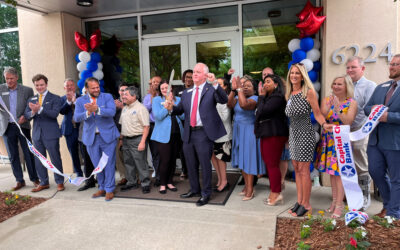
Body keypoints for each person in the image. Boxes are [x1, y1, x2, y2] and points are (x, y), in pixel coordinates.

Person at [165, 63, 228, 206]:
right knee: (190, 164)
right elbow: (179, 110)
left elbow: (224, 100)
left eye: (198, 72)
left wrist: (215, 84)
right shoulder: (187, 93)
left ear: (205, 75)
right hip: (188, 133)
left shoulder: (211, 89)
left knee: (205, 165)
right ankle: (194, 189)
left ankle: (206, 193)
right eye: (194, 71)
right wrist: (170, 108)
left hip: (203, 133)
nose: (194, 74)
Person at [285, 63, 333, 217]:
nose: (294, 76)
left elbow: (317, 114)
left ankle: (306, 204)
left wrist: (324, 124)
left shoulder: (309, 92)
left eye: (297, 73)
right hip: (293, 134)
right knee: (297, 169)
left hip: (305, 133)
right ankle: (299, 201)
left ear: (302, 75)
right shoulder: (290, 93)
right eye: (292, 73)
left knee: (304, 170)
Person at [364, 54, 400, 219]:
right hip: (375, 141)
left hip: (395, 142)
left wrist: (389, 117)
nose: (391, 67)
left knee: (396, 179)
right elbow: (366, 108)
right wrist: (374, 110)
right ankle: (388, 205)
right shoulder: (381, 87)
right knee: (375, 172)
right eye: (391, 64)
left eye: (396, 65)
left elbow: (391, 115)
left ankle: (393, 214)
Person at [316, 75, 357, 218]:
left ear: (347, 86)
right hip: (329, 140)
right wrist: (328, 107)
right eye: (334, 83)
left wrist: (338, 108)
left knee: (339, 175)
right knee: (332, 174)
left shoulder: (351, 103)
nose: (336, 86)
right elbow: (323, 116)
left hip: (342, 142)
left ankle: (339, 205)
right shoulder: (327, 100)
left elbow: (347, 122)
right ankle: (334, 202)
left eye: (340, 84)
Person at [74, 77, 120, 201]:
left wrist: (97, 109)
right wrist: (88, 113)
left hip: (108, 136)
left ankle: (110, 189)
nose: (96, 89)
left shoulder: (107, 97)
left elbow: (112, 112)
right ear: (87, 89)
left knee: (109, 163)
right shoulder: (80, 101)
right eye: (93, 88)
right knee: (97, 165)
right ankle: (102, 187)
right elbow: (77, 117)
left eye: (97, 87)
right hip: (91, 138)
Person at [0, 67, 39, 191]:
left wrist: (26, 117)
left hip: (22, 125)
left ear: (17, 77)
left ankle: (34, 179)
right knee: (13, 155)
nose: (9, 81)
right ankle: (19, 180)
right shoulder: (0, 89)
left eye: (11, 78)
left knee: (28, 153)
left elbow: (30, 107)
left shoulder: (27, 90)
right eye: (7, 78)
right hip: (7, 127)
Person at [24, 74, 65, 192]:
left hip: (51, 134)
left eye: (41, 85)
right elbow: (26, 115)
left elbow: (54, 114)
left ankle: (60, 182)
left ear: (46, 84)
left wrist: (40, 109)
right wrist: (32, 112)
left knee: (55, 158)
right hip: (37, 134)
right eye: (37, 85)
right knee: (39, 159)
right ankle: (44, 182)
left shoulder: (55, 98)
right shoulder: (31, 99)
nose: (39, 87)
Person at [346, 56, 376, 211]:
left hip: (361, 130)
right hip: (345, 130)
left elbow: (368, 110)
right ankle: (351, 195)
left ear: (362, 69)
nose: (350, 70)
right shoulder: (345, 85)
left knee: (361, 164)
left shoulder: (370, 86)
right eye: (348, 67)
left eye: (353, 67)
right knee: (347, 163)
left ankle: (364, 197)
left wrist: (356, 126)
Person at [228, 76, 265, 201]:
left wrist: (238, 89)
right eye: (243, 86)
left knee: (248, 160)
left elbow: (244, 105)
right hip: (238, 130)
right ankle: (246, 186)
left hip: (249, 131)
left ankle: (250, 189)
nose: (244, 87)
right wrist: (233, 90)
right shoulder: (238, 96)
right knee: (242, 159)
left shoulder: (255, 99)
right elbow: (229, 104)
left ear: (254, 90)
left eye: (248, 86)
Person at [255, 74, 288, 206]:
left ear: (276, 84)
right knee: (269, 163)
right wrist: (262, 98)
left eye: (268, 81)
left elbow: (263, 111)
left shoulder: (278, 97)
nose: (265, 84)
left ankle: (276, 193)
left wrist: (261, 96)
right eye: (264, 82)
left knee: (272, 164)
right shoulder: (268, 98)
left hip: (274, 133)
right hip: (266, 133)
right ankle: (274, 192)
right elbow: (259, 112)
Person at [151, 80, 183, 194]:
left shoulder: (178, 100)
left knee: (173, 160)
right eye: (162, 88)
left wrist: (173, 106)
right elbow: (158, 117)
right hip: (162, 135)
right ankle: (163, 184)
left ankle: (170, 182)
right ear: (160, 90)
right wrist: (166, 107)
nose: (165, 90)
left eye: (167, 88)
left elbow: (183, 116)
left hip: (176, 133)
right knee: (165, 160)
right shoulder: (156, 100)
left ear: (171, 88)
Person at [119, 86, 151, 194]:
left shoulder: (140, 108)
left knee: (140, 163)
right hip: (126, 140)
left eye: (126, 94)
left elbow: (146, 126)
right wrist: (121, 140)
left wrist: (142, 142)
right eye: (123, 94)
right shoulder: (125, 108)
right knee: (128, 163)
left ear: (134, 96)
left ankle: (145, 184)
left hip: (138, 139)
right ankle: (131, 182)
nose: (123, 96)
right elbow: (122, 125)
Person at [212, 77, 232, 192]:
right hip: (213, 134)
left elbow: (224, 117)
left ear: (225, 87)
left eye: (219, 84)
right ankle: (220, 179)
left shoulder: (225, 99)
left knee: (221, 158)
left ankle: (224, 182)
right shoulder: (213, 98)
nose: (216, 86)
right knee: (214, 157)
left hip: (223, 135)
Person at [60, 78, 83, 178]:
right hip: (69, 130)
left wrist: (75, 102)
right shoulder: (61, 99)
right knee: (73, 153)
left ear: (74, 86)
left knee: (84, 153)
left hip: (81, 129)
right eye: (67, 86)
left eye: (71, 85)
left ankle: (89, 175)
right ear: (64, 88)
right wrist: (69, 102)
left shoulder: (82, 97)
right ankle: (79, 174)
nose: (69, 87)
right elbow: (62, 111)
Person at [174, 69, 193, 180]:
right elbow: (177, 106)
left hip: (192, 122)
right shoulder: (178, 90)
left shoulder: (195, 90)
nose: (188, 79)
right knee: (183, 148)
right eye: (186, 77)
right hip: (180, 122)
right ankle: (184, 170)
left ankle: (193, 170)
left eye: (190, 77)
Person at [143, 76, 161, 186]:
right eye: (152, 82)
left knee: (164, 151)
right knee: (155, 152)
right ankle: (158, 176)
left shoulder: (164, 95)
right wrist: (152, 99)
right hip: (152, 126)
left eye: (156, 82)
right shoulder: (147, 97)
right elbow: (145, 111)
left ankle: (165, 175)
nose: (154, 84)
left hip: (163, 126)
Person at [114, 83, 129, 186]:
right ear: (119, 91)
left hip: (128, 132)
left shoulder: (131, 100)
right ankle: (123, 176)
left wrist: (122, 107)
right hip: (116, 133)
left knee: (129, 157)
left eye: (125, 90)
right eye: (121, 90)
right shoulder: (114, 102)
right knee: (118, 157)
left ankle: (135, 177)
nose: (123, 92)